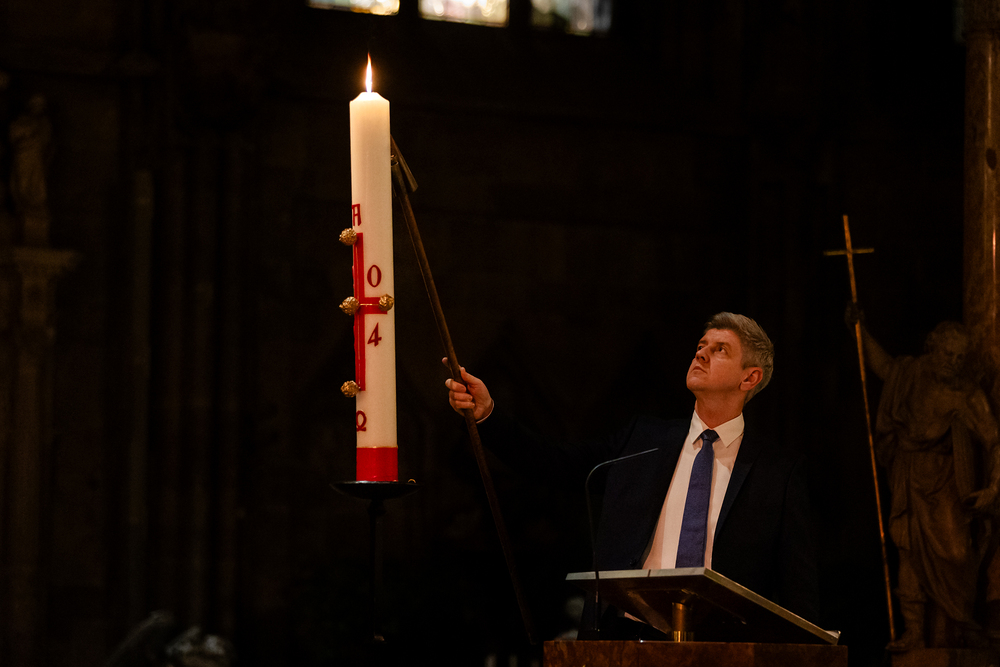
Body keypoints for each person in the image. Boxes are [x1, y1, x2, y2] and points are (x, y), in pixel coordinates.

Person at [445, 312, 819, 635]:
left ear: (749, 378)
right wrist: (488, 415)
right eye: (701, 345)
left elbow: (797, 588)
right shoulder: (644, 440)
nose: (701, 353)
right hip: (625, 636)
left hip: (724, 646)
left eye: (720, 349)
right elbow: (554, 463)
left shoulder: (777, 473)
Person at [850, 313, 1000, 649]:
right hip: (909, 474)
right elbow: (883, 366)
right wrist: (861, 329)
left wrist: (993, 487)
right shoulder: (909, 373)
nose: (953, 363)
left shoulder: (967, 394)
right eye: (948, 354)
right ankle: (915, 631)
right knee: (909, 552)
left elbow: (994, 441)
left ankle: (961, 621)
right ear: (932, 347)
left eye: (960, 358)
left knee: (958, 554)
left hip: (947, 482)